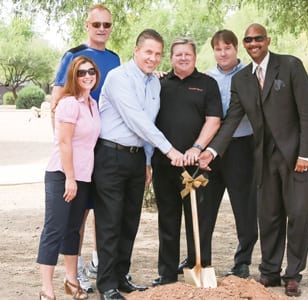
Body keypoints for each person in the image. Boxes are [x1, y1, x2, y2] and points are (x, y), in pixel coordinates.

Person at [198, 24, 308, 297]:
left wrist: (305, 153)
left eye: (258, 39)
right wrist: (211, 151)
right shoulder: (241, 79)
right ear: (244, 44)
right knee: (268, 216)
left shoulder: (290, 66)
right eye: (248, 40)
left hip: (296, 156)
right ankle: (269, 271)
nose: (253, 43)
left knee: (298, 215)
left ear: (267, 40)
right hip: (264, 157)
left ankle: (293, 274)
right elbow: (232, 119)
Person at [93, 29, 184, 300]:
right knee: (110, 222)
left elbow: (149, 124)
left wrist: (146, 162)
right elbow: (137, 120)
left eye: (157, 54)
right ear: (136, 50)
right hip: (110, 156)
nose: (153, 58)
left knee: (130, 221)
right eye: (148, 52)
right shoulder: (117, 78)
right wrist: (169, 150)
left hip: (135, 159)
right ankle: (106, 285)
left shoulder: (155, 84)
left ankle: (121, 277)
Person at [51, 4, 120, 293]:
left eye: (106, 25)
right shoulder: (74, 56)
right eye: (97, 25)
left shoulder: (115, 59)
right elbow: (57, 102)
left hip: (105, 145)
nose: (102, 29)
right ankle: (74, 268)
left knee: (101, 210)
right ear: (87, 26)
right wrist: (64, 151)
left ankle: (98, 262)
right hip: (79, 151)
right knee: (77, 214)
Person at [151, 37, 222, 287]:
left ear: (195, 57)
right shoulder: (158, 83)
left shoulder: (207, 84)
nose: (183, 58)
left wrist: (197, 147)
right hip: (164, 164)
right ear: (171, 58)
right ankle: (167, 274)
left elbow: (213, 120)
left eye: (187, 54)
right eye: (178, 54)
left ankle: (198, 266)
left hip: (195, 166)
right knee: (167, 219)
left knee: (198, 220)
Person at [37, 55, 101, 300]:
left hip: (84, 177)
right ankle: (46, 288)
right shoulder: (69, 103)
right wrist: (70, 178)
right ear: (74, 77)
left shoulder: (92, 104)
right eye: (81, 72)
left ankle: (71, 281)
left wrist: (80, 179)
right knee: (54, 229)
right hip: (62, 175)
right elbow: (64, 142)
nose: (87, 76)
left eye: (91, 72)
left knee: (73, 230)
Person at [200, 29, 258, 279]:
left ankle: (242, 261)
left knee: (244, 207)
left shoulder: (250, 75)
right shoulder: (206, 77)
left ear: (236, 49)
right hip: (210, 151)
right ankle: (200, 259)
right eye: (218, 49)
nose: (223, 53)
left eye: (228, 48)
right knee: (204, 206)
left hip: (241, 147)